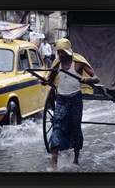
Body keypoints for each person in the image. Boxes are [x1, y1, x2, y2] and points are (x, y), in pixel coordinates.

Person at [41, 38, 100, 171]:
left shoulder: (78, 63)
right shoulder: (57, 65)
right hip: (61, 98)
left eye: (62, 53)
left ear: (68, 52)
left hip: (75, 99)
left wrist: (87, 79)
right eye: (58, 52)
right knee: (57, 126)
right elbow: (50, 81)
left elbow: (96, 78)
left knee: (76, 127)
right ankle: (54, 164)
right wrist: (45, 82)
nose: (60, 55)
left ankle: (76, 158)